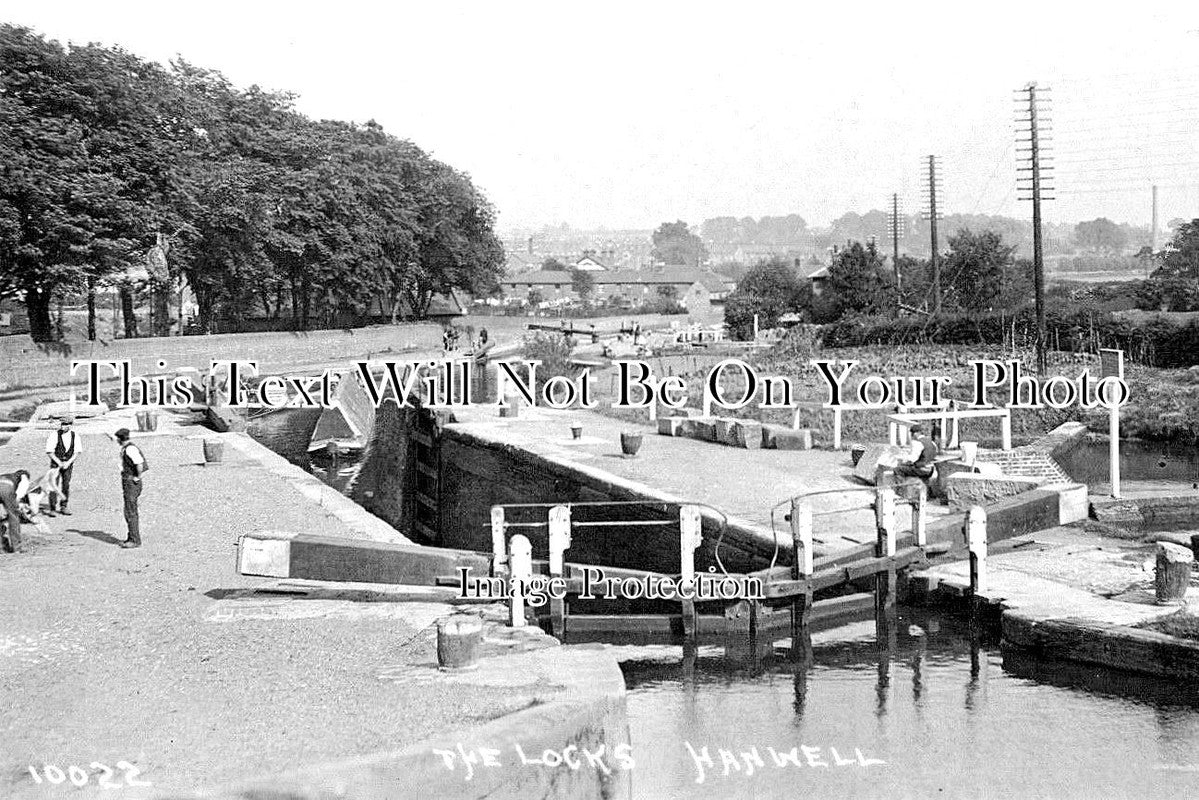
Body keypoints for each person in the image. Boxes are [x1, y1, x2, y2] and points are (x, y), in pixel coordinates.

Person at [114, 428, 146, 548]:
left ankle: (134, 540)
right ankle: (131, 536)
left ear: (120, 439)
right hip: (128, 481)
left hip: (131, 483)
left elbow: (139, 464)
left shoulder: (130, 449)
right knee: (129, 511)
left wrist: (138, 476)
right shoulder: (127, 448)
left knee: (130, 511)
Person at [45, 414, 79, 515]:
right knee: (53, 484)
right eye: (62, 424)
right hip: (56, 463)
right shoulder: (54, 435)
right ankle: (52, 508)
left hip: (68, 464)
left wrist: (68, 463)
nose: (63, 426)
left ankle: (64, 506)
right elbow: (49, 451)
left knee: (66, 484)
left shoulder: (75, 436)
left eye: (65, 424)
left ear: (70, 425)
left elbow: (76, 452)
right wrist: (59, 463)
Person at [0, 469, 31, 553]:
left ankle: (1, 547)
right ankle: (17, 548)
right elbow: (21, 491)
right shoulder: (24, 476)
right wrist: (17, 507)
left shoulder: (6, 475)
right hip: (7, 489)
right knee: (14, 518)